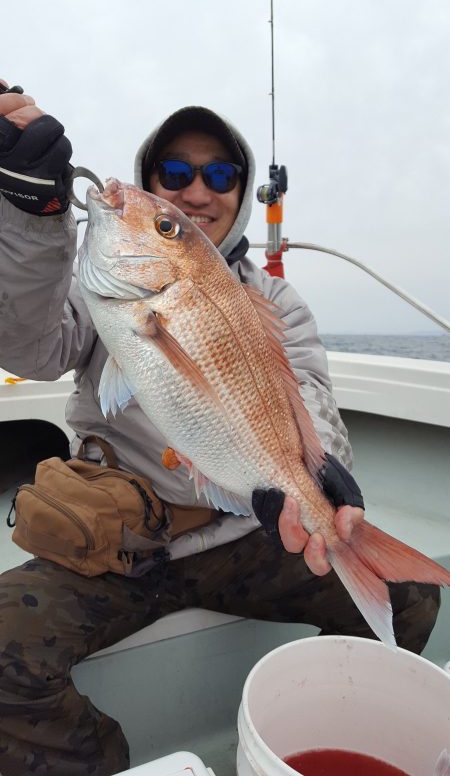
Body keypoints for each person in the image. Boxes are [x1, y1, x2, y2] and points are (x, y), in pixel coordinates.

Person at [0, 82, 440, 776]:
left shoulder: (275, 303)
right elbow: (28, 346)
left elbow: (310, 400)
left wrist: (314, 477)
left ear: (238, 189)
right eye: (173, 175)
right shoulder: (97, 284)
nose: (195, 192)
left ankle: (316, 729)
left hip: (242, 530)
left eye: (219, 174)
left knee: (413, 599)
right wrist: (33, 218)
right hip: (120, 541)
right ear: (150, 178)